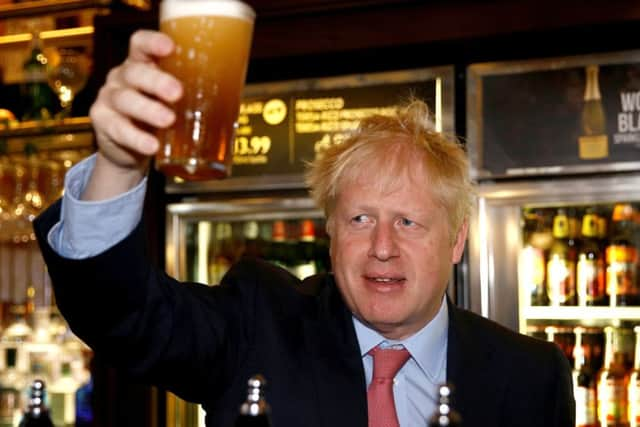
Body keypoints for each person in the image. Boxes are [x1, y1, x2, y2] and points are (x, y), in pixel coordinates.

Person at [34, 30, 574, 427]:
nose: (382, 248)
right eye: (360, 219)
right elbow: (122, 318)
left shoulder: (532, 377)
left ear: (457, 239)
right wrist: (120, 166)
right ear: (330, 234)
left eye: (408, 222)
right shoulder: (258, 322)